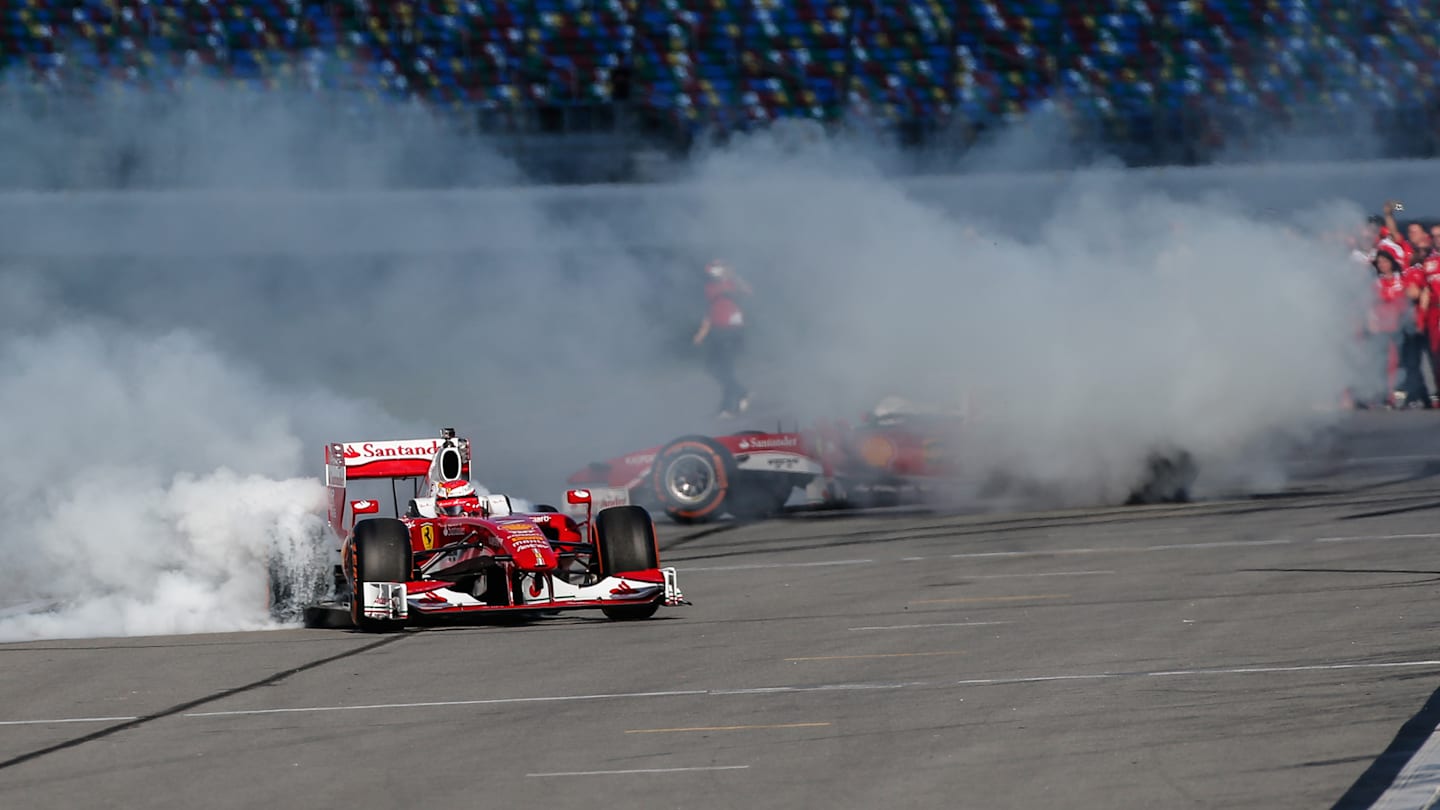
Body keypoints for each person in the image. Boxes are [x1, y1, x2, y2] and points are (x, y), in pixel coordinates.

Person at [693, 260, 753, 418]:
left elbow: (748, 291)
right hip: (717, 331)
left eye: (717, 269)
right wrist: (702, 332)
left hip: (733, 331)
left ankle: (727, 406)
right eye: (711, 269)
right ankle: (740, 393)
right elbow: (710, 310)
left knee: (725, 368)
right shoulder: (709, 288)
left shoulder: (732, 283)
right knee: (712, 367)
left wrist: (733, 276)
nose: (713, 272)